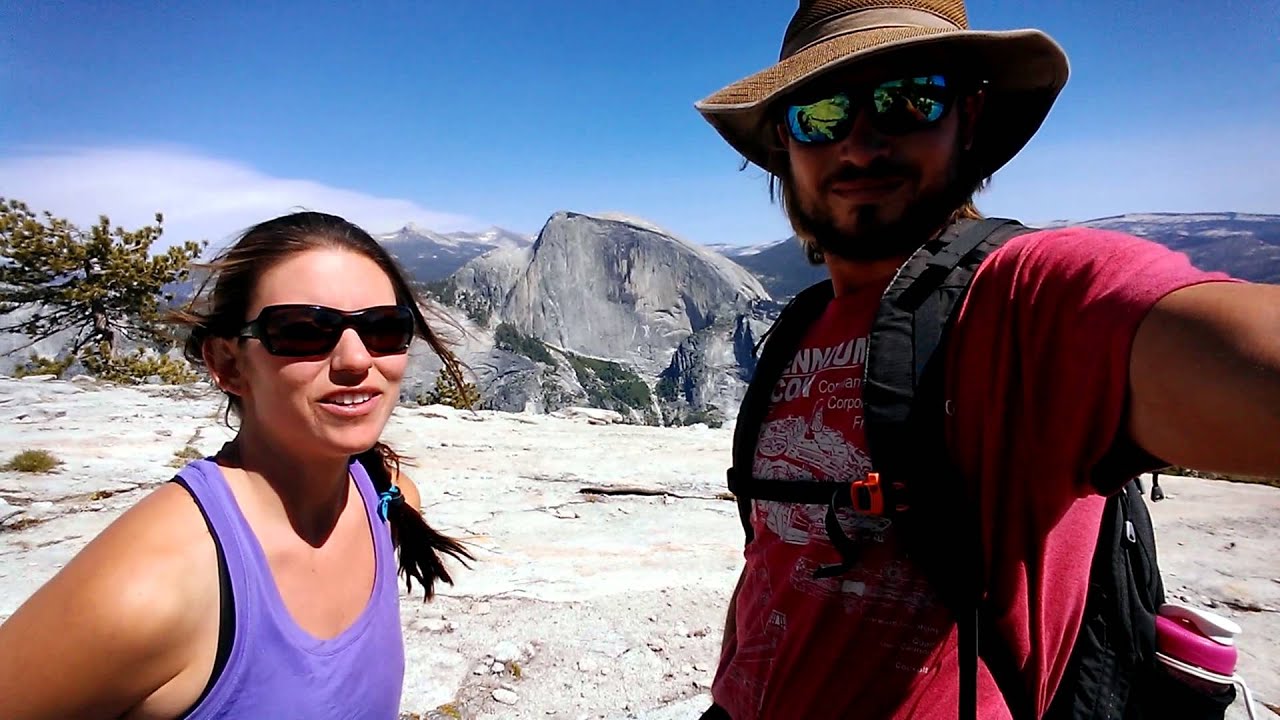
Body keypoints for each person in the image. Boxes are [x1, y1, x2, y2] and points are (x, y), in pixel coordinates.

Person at [692, 1, 1280, 718]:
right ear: (785, 142)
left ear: (968, 118)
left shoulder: (1027, 301)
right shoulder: (799, 325)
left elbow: (1226, 348)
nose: (862, 143)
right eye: (821, 113)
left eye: (909, 100)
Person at [0, 211, 474, 719]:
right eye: (303, 331)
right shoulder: (149, 590)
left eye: (384, 328)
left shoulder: (387, 503)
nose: (357, 360)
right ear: (228, 364)